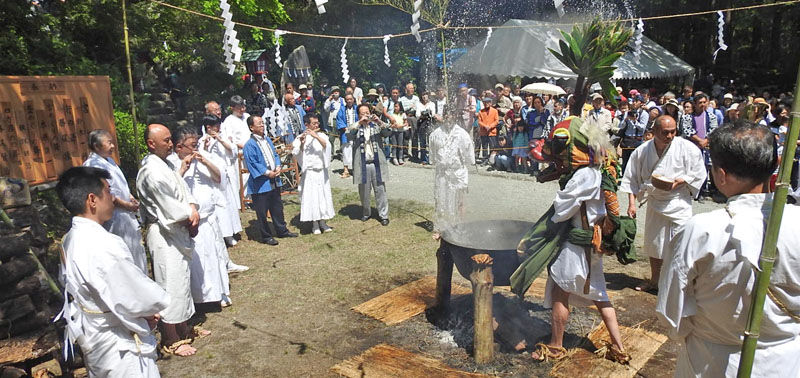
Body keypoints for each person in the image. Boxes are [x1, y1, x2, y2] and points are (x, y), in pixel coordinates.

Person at [657, 120, 800, 377]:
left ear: (720, 175)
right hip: (788, 360)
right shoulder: (797, 222)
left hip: (712, 361)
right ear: (774, 167)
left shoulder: (701, 229)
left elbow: (671, 310)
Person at [55, 166, 169, 376]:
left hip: (95, 337)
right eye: (107, 191)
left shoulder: (69, 239)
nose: (112, 197)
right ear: (92, 200)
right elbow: (130, 293)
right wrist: (149, 310)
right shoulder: (102, 243)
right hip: (118, 343)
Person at [620, 116, 706, 293]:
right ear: (654, 132)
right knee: (655, 243)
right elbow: (631, 178)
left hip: (678, 201)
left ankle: (679, 284)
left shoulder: (687, 148)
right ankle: (655, 281)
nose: (670, 136)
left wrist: (681, 181)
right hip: (655, 201)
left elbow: (698, 172)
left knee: (680, 243)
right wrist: (631, 204)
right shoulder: (642, 151)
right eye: (665, 132)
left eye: (673, 132)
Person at [136, 124, 201, 357]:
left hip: (178, 229)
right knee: (169, 283)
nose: (171, 144)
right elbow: (169, 206)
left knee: (181, 281)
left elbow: (182, 188)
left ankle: (183, 327)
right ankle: (170, 337)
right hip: (164, 231)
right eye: (165, 141)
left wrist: (192, 208)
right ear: (151, 143)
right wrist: (189, 216)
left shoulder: (164, 165)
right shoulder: (150, 170)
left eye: (170, 139)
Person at [168, 127, 231, 307]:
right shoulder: (171, 164)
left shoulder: (202, 157)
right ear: (179, 147)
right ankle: (201, 298)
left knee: (215, 256)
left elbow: (219, 178)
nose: (195, 149)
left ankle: (220, 292)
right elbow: (171, 189)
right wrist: (182, 170)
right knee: (199, 262)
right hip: (192, 222)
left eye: (196, 145)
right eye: (191, 146)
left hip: (209, 218)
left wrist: (205, 162)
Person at [82, 130, 147, 273]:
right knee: (123, 256)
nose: (112, 146)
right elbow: (105, 193)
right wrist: (126, 205)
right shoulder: (92, 164)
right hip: (114, 216)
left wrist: (130, 197)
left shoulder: (109, 160)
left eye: (112, 142)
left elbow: (119, 185)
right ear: (97, 146)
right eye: (108, 143)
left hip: (126, 214)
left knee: (135, 252)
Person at [242, 115, 298, 245]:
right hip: (261, 183)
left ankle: (282, 230)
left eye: (262, 123)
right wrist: (267, 173)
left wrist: (278, 166)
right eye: (259, 123)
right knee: (262, 210)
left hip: (274, 179)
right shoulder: (249, 145)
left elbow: (274, 154)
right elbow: (253, 163)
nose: (262, 125)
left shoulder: (267, 139)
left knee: (277, 206)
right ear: (251, 127)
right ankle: (266, 236)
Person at [198, 115, 246, 254]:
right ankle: (225, 235)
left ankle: (233, 230)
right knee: (221, 207)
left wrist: (219, 139)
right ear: (208, 127)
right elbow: (203, 156)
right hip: (213, 178)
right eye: (215, 126)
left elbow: (232, 150)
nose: (218, 129)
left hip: (225, 174)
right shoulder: (202, 141)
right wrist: (206, 145)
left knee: (229, 204)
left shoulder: (221, 137)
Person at [429, 107, 475, 234]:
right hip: (442, 173)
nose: (449, 117)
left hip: (457, 172)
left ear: (455, 116)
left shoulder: (462, 134)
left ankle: (457, 226)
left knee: (457, 202)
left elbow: (469, 156)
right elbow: (432, 154)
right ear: (443, 116)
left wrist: (462, 167)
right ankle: (440, 227)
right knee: (440, 200)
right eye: (446, 115)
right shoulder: (435, 134)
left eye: (451, 115)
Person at [347, 104, 392, 225]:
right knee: (364, 192)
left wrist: (379, 121)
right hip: (363, 164)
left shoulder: (376, 125)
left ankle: (383, 215)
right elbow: (348, 134)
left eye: (367, 112)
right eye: (362, 113)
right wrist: (359, 123)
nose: (366, 115)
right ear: (358, 115)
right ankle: (366, 213)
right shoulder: (356, 127)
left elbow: (388, 132)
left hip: (376, 163)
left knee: (380, 190)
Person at [292, 114, 334, 235]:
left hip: (321, 171)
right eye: (314, 123)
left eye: (317, 123)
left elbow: (327, 146)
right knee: (313, 198)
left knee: (323, 197)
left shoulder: (322, 135)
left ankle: (323, 222)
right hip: (310, 172)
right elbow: (296, 152)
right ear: (307, 125)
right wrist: (302, 143)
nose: (317, 125)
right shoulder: (300, 137)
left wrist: (316, 136)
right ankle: (315, 224)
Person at [336, 94, 358, 178]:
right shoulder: (342, 109)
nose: (349, 101)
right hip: (346, 133)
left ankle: (355, 169)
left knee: (356, 151)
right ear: (345, 100)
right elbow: (339, 119)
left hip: (356, 132)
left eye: (350, 99)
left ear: (353, 99)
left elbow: (360, 118)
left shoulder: (357, 108)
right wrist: (345, 128)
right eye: (347, 99)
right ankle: (346, 169)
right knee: (346, 151)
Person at [477, 97, 499, 163]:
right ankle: (485, 159)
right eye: (485, 102)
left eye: (488, 102)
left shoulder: (495, 111)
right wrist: (485, 126)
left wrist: (490, 126)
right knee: (484, 147)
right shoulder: (481, 112)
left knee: (492, 146)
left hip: (492, 132)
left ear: (490, 103)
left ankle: (492, 160)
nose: (486, 104)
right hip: (483, 132)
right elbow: (479, 121)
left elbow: (496, 121)